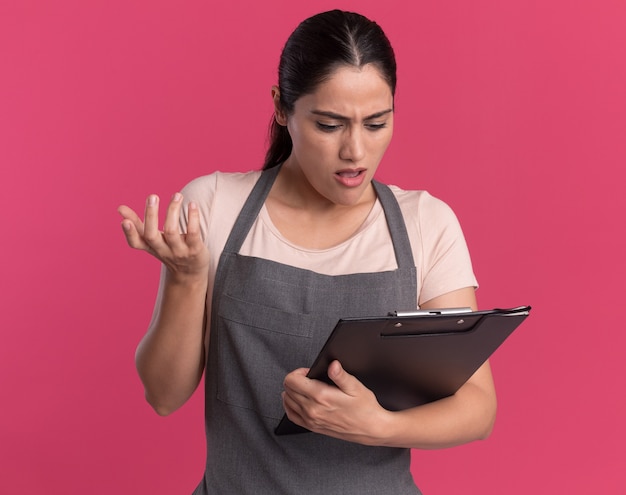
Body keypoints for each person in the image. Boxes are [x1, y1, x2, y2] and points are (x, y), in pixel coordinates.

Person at [118, 9, 497, 494]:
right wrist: (188, 278)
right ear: (282, 107)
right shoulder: (213, 206)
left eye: (376, 123)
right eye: (329, 124)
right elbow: (164, 396)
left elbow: (478, 407)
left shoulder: (426, 223)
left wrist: (375, 425)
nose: (356, 151)